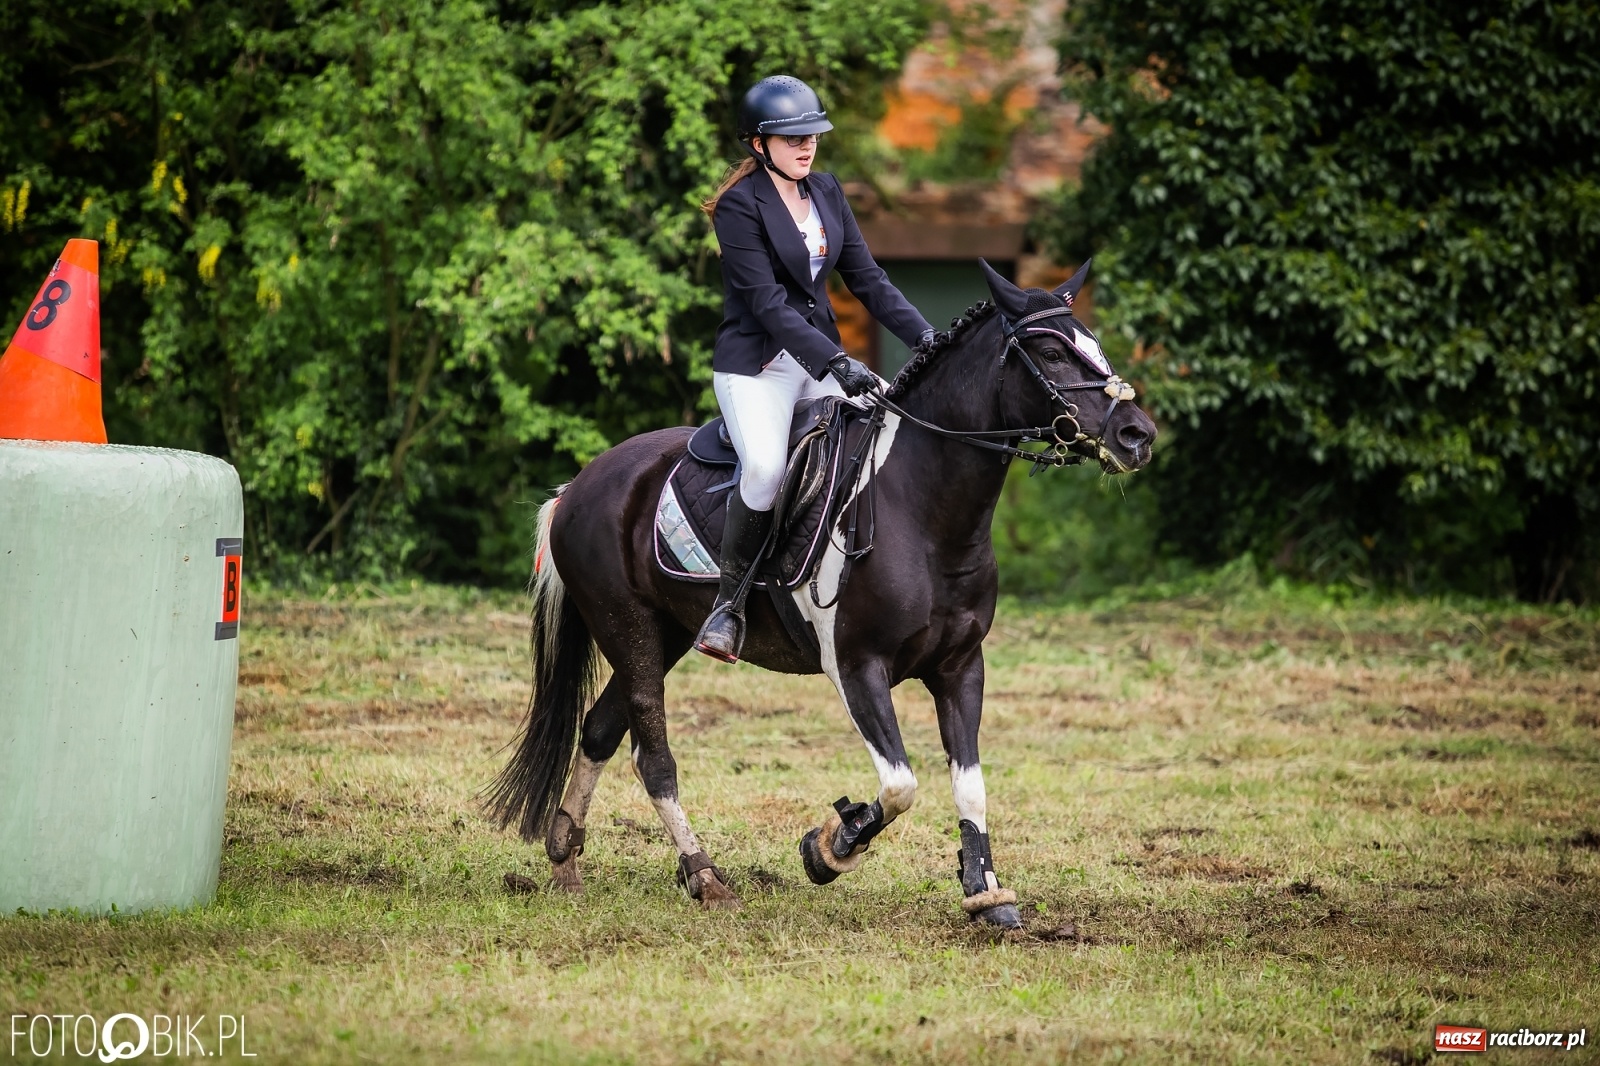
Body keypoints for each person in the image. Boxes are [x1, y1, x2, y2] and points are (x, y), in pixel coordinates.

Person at [694, 75, 935, 663]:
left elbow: (868, 279)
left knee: (893, 435)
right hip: (757, 368)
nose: (807, 146)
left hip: (820, 358)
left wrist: (928, 336)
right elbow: (767, 305)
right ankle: (728, 606)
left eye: (813, 135)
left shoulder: (826, 190)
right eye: (792, 137)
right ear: (758, 144)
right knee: (766, 468)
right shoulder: (738, 206)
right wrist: (837, 362)